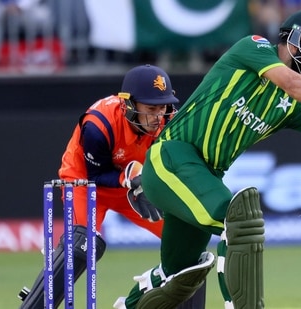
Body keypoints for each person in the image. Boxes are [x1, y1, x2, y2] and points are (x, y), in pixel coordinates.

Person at [114, 9, 301, 309]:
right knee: (239, 220)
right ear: (294, 38)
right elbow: (290, 82)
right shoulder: (253, 47)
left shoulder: (293, 103)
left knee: (179, 275)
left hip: (204, 176)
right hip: (172, 157)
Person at [18, 64, 206, 309]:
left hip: (135, 186)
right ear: (129, 105)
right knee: (80, 246)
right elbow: (96, 173)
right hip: (85, 183)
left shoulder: (168, 124)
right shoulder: (99, 124)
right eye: (151, 108)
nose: (158, 116)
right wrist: (127, 177)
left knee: (187, 245)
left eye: (162, 107)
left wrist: (149, 183)